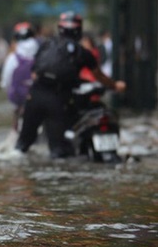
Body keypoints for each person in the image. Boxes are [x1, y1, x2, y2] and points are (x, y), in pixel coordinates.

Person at [15, 11, 126, 158]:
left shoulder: (46, 44)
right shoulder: (83, 53)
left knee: (22, 146)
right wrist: (115, 86)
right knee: (59, 152)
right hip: (58, 100)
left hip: (35, 95)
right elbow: (99, 76)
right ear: (79, 30)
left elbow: (34, 73)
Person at [0, 22, 39, 130]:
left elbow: (6, 81)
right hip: (39, 98)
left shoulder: (13, 58)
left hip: (19, 100)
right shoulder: (40, 53)